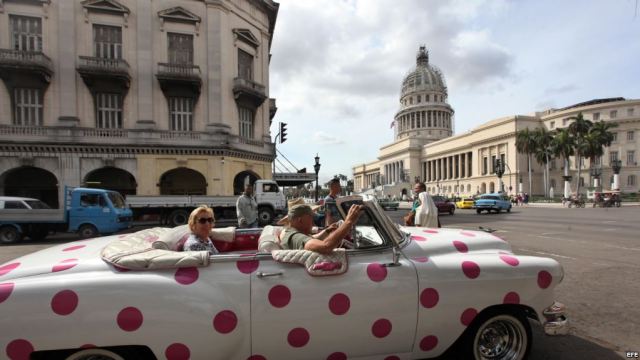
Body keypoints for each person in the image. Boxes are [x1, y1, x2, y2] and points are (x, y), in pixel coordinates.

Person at [280, 203, 364, 254]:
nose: (313, 221)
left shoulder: (290, 232)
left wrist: (328, 230)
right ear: (300, 220)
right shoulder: (296, 236)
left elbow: (312, 239)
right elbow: (325, 246)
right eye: (311, 217)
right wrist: (348, 221)